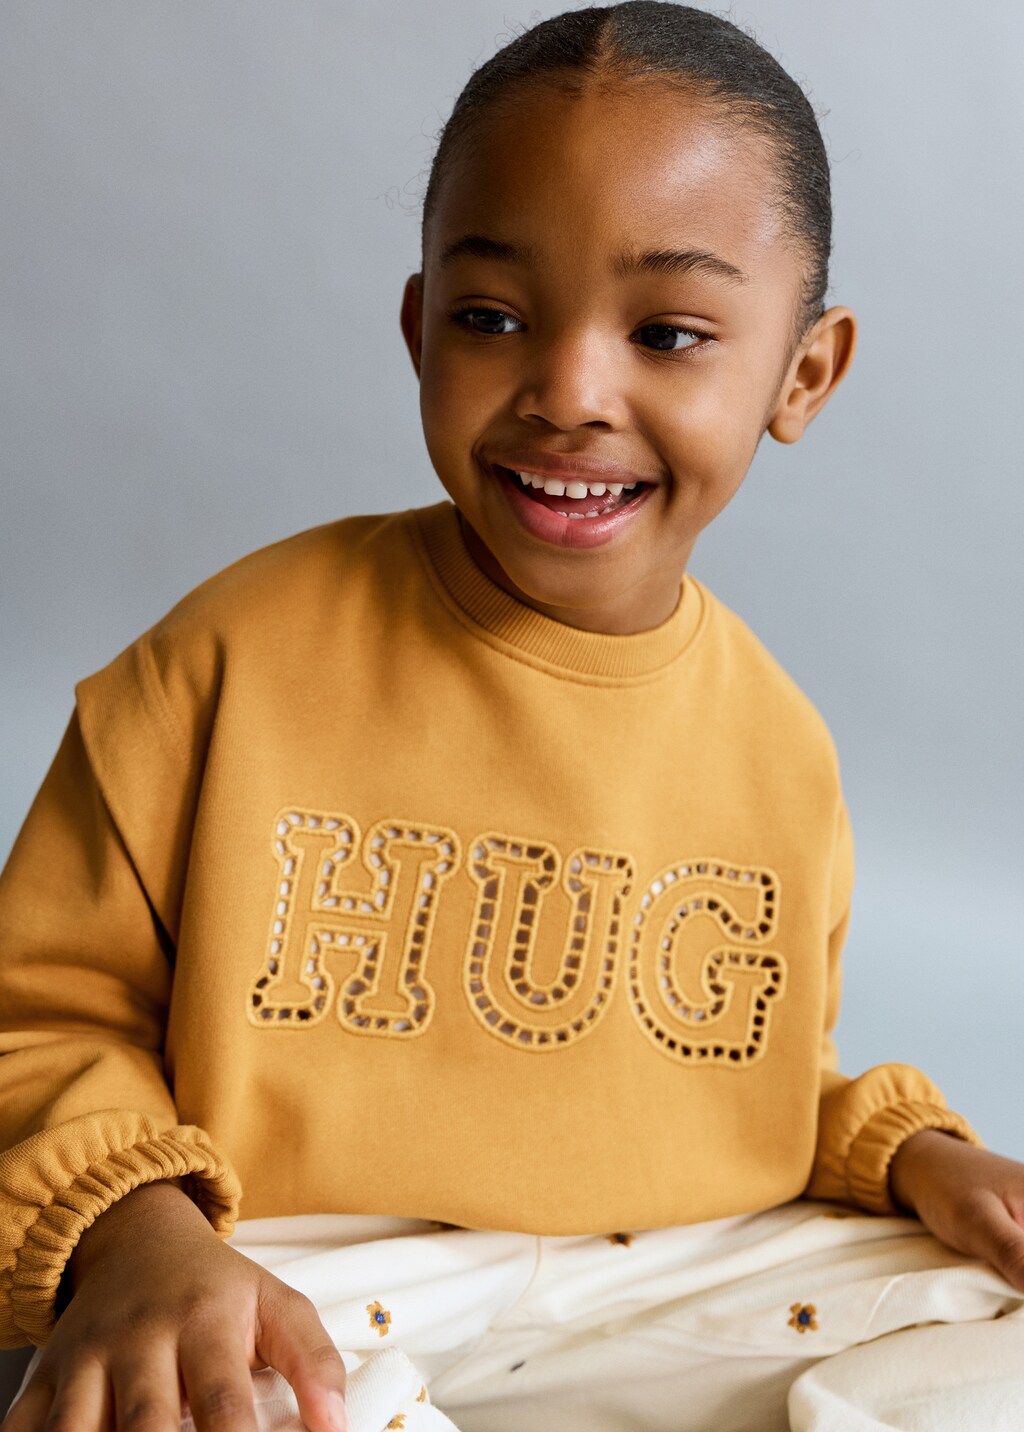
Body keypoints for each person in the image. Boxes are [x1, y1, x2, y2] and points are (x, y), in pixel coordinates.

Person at [1, 4, 1023, 1430]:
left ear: (802, 374)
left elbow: (747, 1077)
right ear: (419, 325)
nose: (569, 391)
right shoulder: (224, 663)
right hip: (313, 1278)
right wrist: (135, 1234)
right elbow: (38, 1020)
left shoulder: (782, 747)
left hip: (656, 1279)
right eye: (491, 318)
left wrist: (907, 1153)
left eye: (667, 333)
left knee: (997, 1314)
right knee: (206, 1393)